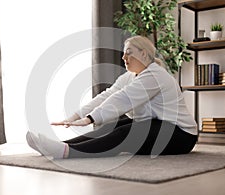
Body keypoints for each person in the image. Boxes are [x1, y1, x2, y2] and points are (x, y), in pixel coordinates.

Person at [26, 35, 197, 159]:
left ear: (144, 54)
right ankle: (63, 145)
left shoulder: (155, 75)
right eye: (124, 53)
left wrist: (89, 119)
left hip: (180, 135)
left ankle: (68, 152)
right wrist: (75, 116)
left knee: (125, 133)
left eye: (129, 53)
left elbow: (123, 98)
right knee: (111, 127)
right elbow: (107, 95)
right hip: (157, 126)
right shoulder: (130, 76)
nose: (124, 57)